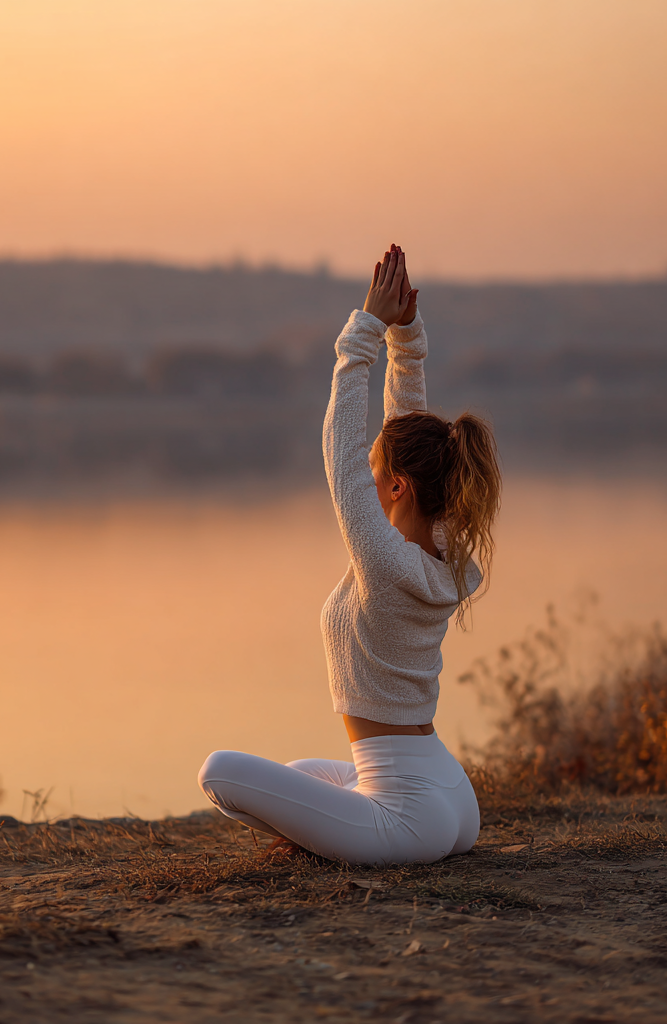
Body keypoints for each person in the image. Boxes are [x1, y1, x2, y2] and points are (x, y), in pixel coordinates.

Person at [197, 244, 502, 865]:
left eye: (378, 474)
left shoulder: (386, 562)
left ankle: (336, 835)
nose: (368, 476)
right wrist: (406, 340)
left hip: (407, 818)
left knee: (220, 773)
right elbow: (409, 436)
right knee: (298, 771)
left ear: (397, 488)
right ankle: (336, 823)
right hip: (449, 794)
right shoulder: (448, 556)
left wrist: (364, 330)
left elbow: (342, 457)